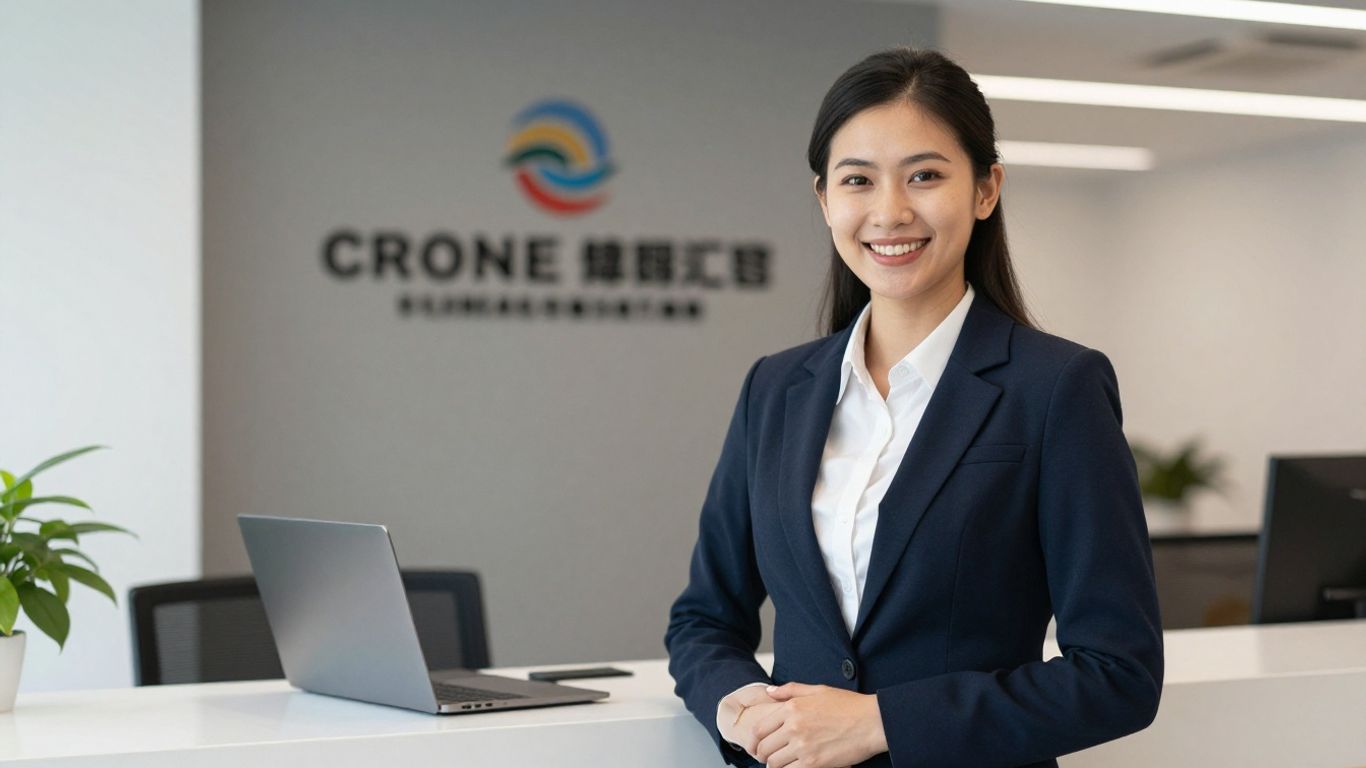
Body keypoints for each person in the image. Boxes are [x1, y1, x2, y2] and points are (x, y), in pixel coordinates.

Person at [664, 48, 1162, 768]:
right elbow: (704, 619)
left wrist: (880, 722)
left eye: (925, 176)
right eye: (857, 181)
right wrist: (737, 706)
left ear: (986, 189)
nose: (889, 212)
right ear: (825, 201)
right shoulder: (775, 389)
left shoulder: (1056, 388)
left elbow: (1120, 674)